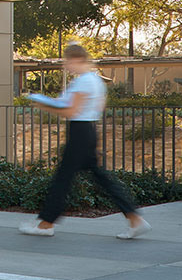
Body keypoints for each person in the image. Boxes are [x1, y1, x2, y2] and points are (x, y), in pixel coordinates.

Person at [19, 43, 148, 240]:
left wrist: (44, 105)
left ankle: (46, 224)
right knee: (99, 177)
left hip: (79, 131)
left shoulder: (83, 82)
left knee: (63, 178)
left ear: (77, 59)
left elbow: (70, 111)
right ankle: (133, 218)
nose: (66, 66)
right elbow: (96, 107)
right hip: (88, 130)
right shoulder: (96, 81)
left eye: (67, 62)